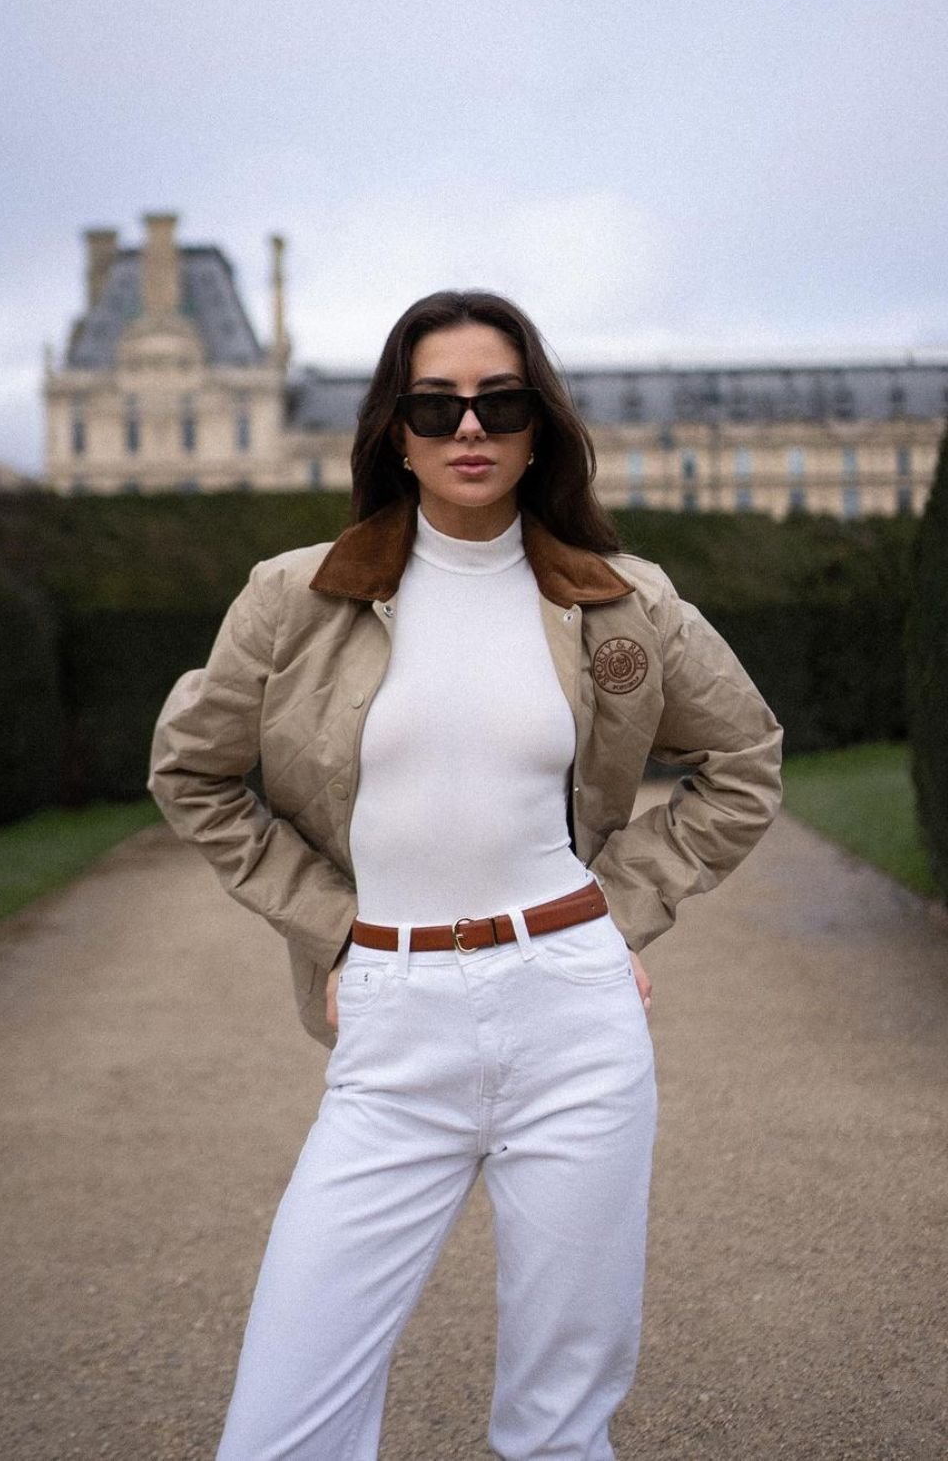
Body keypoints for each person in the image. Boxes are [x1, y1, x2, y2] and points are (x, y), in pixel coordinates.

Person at [149, 289, 783, 1461]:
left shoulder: (622, 598)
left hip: (573, 1016)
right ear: (396, 431)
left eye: (500, 401)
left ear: (540, 426)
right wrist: (330, 925)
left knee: (558, 1428)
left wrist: (614, 915)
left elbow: (744, 761)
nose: (470, 427)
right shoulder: (295, 595)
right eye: (436, 406)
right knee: (282, 1427)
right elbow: (191, 774)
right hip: (391, 1023)